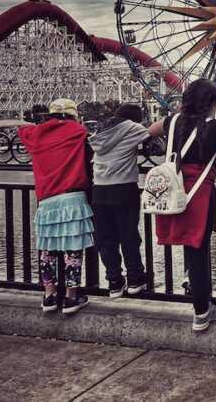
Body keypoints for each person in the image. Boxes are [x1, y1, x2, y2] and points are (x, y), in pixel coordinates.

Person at [148, 78, 216, 332]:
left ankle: (192, 290)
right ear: (210, 103)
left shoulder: (172, 122)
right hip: (199, 194)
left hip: (174, 190)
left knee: (189, 248)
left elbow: (149, 131)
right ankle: (201, 311)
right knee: (199, 251)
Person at [18, 98, 94, 315]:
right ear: (73, 115)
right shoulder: (78, 131)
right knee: (72, 251)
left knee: (48, 250)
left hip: (47, 199)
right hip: (72, 197)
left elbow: (23, 131)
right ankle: (71, 298)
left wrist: (36, 125)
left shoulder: (36, 134)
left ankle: (49, 296)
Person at [89, 103, 149, 297]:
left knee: (106, 239)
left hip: (99, 189)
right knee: (129, 236)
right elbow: (157, 144)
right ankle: (135, 279)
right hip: (123, 187)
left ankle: (114, 281)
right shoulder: (133, 128)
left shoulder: (99, 132)